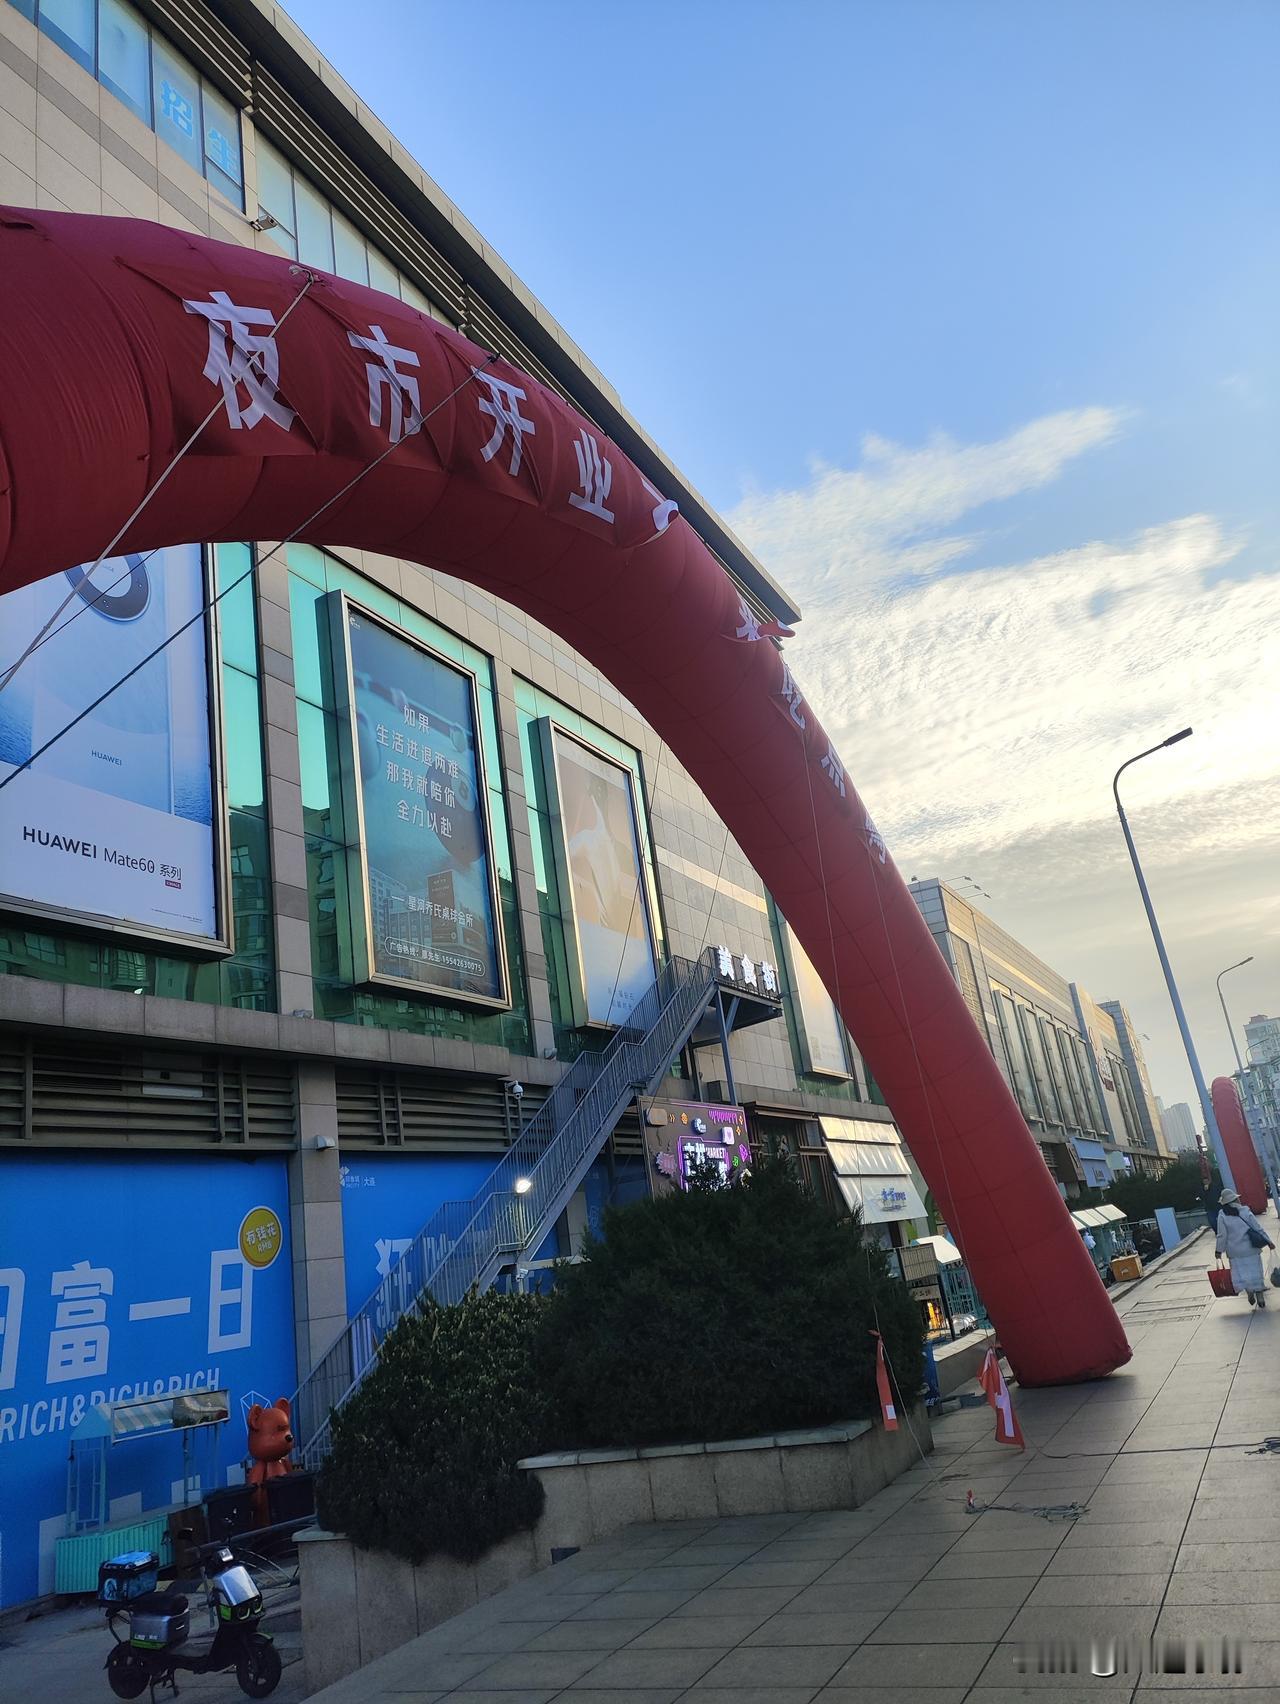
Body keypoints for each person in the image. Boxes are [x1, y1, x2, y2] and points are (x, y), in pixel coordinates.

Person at [1214, 1188, 1276, 1309]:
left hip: (1235, 1252)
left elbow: (1222, 1235)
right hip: (1251, 1249)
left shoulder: (1222, 1215)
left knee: (1243, 1274)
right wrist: (1268, 1241)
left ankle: (1249, 1292)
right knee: (1255, 1271)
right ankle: (1260, 1297)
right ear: (1235, 1199)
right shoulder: (1245, 1211)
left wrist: (1218, 1251)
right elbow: (1257, 1228)